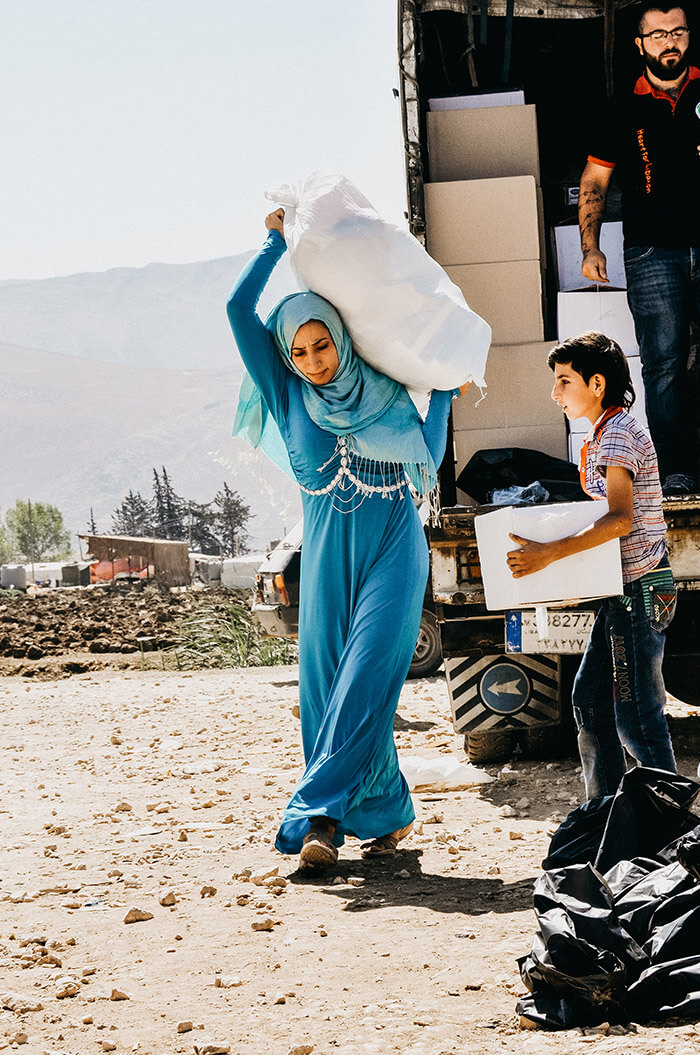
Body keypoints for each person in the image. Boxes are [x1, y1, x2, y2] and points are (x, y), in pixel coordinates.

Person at [226, 209, 456, 871]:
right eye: (298, 350)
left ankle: (316, 818)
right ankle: (386, 811)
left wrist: (442, 391)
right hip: (326, 558)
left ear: (340, 337)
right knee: (327, 692)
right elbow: (239, 308)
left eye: (320, 345)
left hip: (393, 545)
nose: (312, 360)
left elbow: (428, 454)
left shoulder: (383, 387)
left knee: (364, 679)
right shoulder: (287, 393)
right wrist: (271, 241)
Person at [579, 2, 700, 495]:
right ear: (640, 45)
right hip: (651, 253)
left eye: (677, 32)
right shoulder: (619, 108)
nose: (669, 42)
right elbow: (595, 180)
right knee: (663, 366)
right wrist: (590, 245)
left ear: (688, 37)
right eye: (657, 35)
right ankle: (675, 469)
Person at [507, 332, 677, 800]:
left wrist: (550, 554)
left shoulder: (617, 435)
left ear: (596, 383)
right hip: (621, 592)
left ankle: (672, 825)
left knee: (638, 718)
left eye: (564, 381)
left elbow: (620, 520)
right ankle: (606, 813)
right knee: (592, 704)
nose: (555, 393)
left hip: (637, 592)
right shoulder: (604, 431)